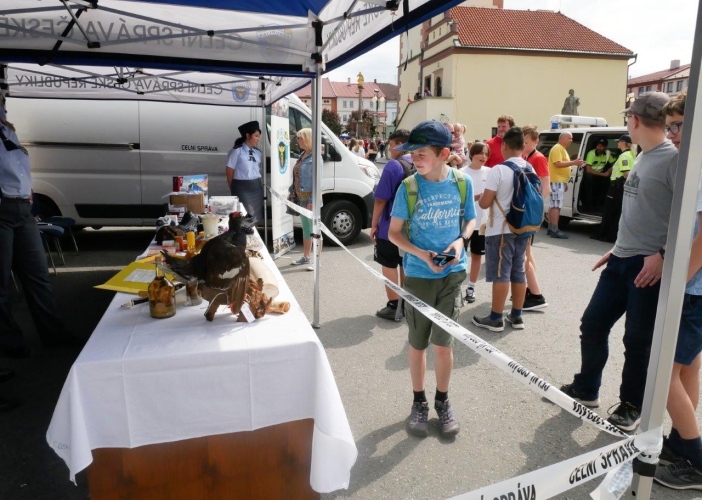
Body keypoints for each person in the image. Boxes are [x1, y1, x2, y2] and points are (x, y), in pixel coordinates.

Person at [560, 92, 678, 433]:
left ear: (636, 120)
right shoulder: (641, 156)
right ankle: (587, 388)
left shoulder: (672, 159)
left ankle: (631, 405)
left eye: (629, 117)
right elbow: (643, 212)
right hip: (622, 259)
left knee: (637, 340)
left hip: (648, 265)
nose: (628, 122)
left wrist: (662, 255)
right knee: (593, 324)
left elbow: (689, 219)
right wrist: (617, 248)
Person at [388, 120, 476, 438]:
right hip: (419, 277)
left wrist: (461, 241)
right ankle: (418, 402)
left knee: (443, 345)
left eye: (422, 153)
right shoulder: (409, 188)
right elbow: (393, 233)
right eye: (413, 154)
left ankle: (442, 400)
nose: (415, 159)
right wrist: (422, 254)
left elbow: (470, 220)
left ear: (442, 154)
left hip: (452, 275)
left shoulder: (462, 183)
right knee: (417, 344)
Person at [0, 92, 73, 358]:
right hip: (2, 208)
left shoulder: (7, 130)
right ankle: (9, 343)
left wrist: (27, 190)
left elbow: (18, 167)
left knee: (38, 275)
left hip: (21, 208)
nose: (2, 103)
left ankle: (53, 333)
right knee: (2, 283)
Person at [654, 91, 702, 489]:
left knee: (662, 374)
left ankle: (696, 458)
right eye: (669, 126)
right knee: (688, 369)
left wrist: (680, 282)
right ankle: (680, 443)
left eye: (679, 125)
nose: (671, 133)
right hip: (695, 287)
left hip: (694, 289)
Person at [472, 127, 532, 332]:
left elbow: (485, 202)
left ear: (504, 145)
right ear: (523, 146)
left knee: (501, 273)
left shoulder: (499, 169)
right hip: (523, 227)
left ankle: (496, 317)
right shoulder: (529, 167)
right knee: (519, 270)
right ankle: (516, 316)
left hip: (501, 228)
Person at [371, 129, 411, 320]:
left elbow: (381, 199)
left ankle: (394, 304)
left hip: (390, 225)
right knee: (405, 263)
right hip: (412, 227)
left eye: (390, 144)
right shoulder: (418, 162)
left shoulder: (393, 166)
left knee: (388, 263)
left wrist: (374, 224)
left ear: (397, 144)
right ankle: (407, 302)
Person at [521, 125, 550, 311]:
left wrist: (532, 209)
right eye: (521, 141)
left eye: (526, 142)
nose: (523, 145)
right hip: (527, 212)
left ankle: (536, 293)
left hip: (529, 214)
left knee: (523, 254)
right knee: (527, 253)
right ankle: (530, 289)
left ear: (535, 141)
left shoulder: (538, 158)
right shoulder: (527, 157)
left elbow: (545, 187)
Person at [460, 142, 490, 304]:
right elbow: (456, 199)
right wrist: (476, 197)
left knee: (477, 256)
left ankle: (471, 287)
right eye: (480, 153)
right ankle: (456, 287)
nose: (483, 157)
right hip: (464, 223)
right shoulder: (461, 173)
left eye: (486, 154)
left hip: (483, 223)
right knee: (459, 256)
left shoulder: (491, 172)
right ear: (472, 154)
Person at [289, 128, 323, 271]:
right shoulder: (303, 155)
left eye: (300, 138)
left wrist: (312, 201)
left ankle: (316, 261)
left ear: (308, 139)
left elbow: (317, 181)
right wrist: (292, 191)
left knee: (315, 230)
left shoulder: (316, 157)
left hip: (310, 199)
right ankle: (306, 256)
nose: (297, 141)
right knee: (306, 229)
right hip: (301, 198)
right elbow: (297, 176)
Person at [592, 135, 636, 243]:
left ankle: (603, 235)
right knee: (617, 213)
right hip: (622, 187)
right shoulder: (632, 155)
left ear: (623, 142)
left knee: (609, 212)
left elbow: (626, 173)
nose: (617, 143)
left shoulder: (624, 156)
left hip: (616, 187)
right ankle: (612, 236)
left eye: (618, 142)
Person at [547, 132, 585, 239]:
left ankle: (551, 228)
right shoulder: (558, 148)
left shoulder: (560, 148)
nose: (571, 140)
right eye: (570, 138)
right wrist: (574, 162)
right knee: (556, 206)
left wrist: (565, 181)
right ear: (562, 138)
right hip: (557, 181)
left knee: (553, 205)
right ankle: (554, 229)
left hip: (559, 181)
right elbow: (557, 164)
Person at [225, 120, 264, 224]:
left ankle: (252, 239)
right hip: (241, 188)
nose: (258, 139)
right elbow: (229, 172)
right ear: (247, 136)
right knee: (245, 218)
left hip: (256, 187)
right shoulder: (236, 151)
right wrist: (233, 188)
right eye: (256, 136)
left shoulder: (257, 152)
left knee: (256, 218)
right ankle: (244, 238)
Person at [581, 138, 616, 212]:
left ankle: (601, 207)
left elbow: (615, 164)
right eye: (598, 145)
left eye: (602, 146)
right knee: (589, 184)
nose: (599, 147)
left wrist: (610, 170)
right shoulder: (591, 153)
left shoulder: (608, 153)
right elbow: (588, 170)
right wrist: (604, 174)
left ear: (605, 147)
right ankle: (590, 208)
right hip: (591, 175)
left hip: (600, 175)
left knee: (605, 186)